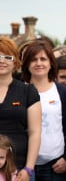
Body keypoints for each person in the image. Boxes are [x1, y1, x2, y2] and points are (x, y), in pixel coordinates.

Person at [21, 39, 66, 181]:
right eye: (33, 60)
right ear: (26, 64)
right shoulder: (18, 91)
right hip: (23, 164)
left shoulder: (62, 92)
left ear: (51, 63)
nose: (39, 63)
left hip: (55, 166)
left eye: (43, 59)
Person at [0, 37, 41, 181]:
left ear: (15, 61)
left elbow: (35, 132)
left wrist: (29, 168)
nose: (2, 61)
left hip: (19, 169)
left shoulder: (28, 91)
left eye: (7, 57)